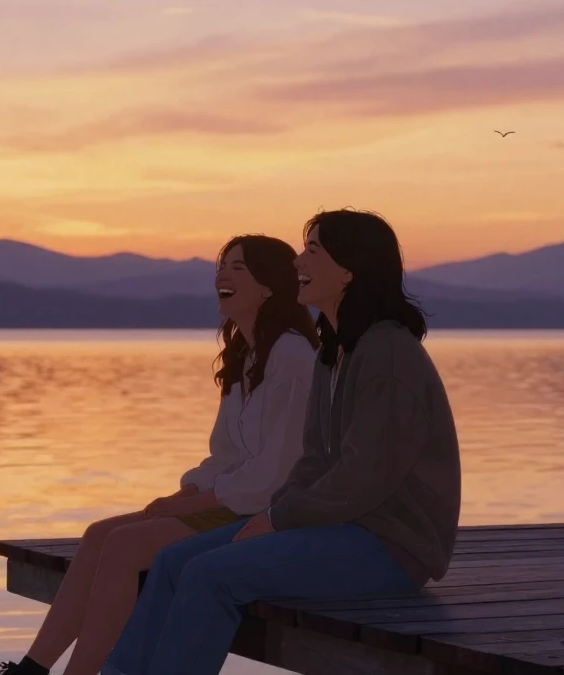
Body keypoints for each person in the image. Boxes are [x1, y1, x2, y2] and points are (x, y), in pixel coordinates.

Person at [101, 208, 462, 675]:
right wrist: (274, 516)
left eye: (312, 251)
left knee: (210, 574)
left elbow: (361, 478)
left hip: (389, 545)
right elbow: (313, 462)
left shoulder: (387, 355)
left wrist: (277, 519)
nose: (297, 263)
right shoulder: (334, 351)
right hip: (334, 527)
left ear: (349, 269)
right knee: (172, 562)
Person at [0, 235, 320, 675]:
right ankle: (32, 668)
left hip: (270, 512)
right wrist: (187, 492)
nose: (222, 275)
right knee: (99, 534)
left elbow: (276, 472)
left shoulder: (292, 355)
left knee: (125, 545)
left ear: (267, 286)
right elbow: (225, 455)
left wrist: (194, 504)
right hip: (235, 500)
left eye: (238, 268)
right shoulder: (247, 355)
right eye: (221, 266)